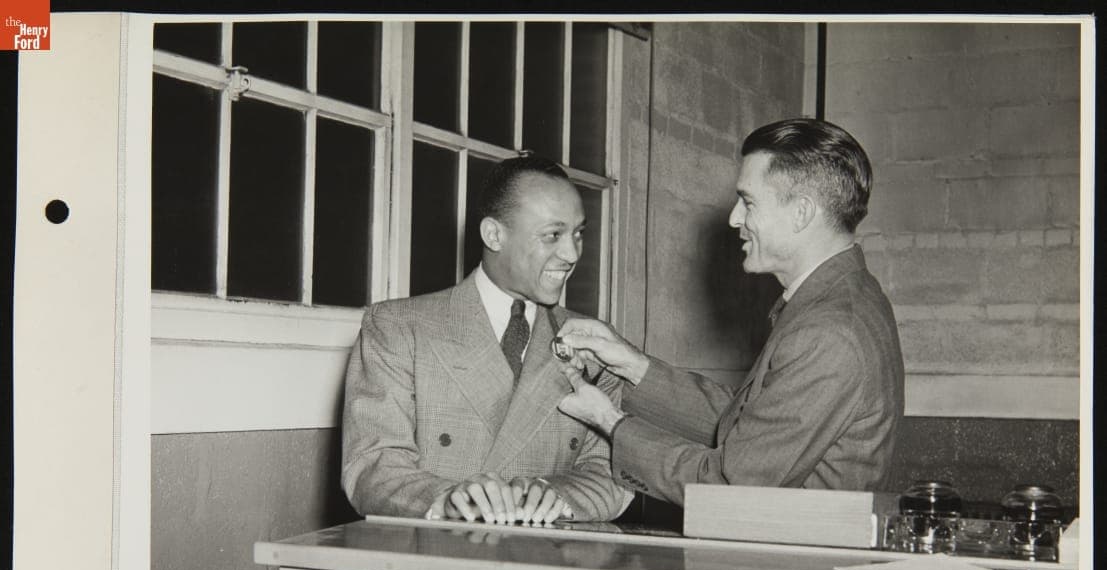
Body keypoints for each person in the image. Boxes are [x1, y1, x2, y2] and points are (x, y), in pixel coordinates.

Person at [556, 118, 905, 506]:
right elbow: (752, 426)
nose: (734, 218)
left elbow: (731, 486)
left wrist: (609, 422)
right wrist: (631, 366)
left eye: (749, 202)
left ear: (802, 213)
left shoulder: (829, 331)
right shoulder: (844, 297)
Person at [341, 155, 632, 526]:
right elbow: (372, 467)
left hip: (552, 566)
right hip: (432, 564)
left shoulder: (593, 344)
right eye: (552, 236)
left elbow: (612, 471)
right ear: (494, 235)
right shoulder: (397, 327)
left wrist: (558, 495)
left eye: (578, 233)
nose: (572, 254)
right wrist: (446, 499)